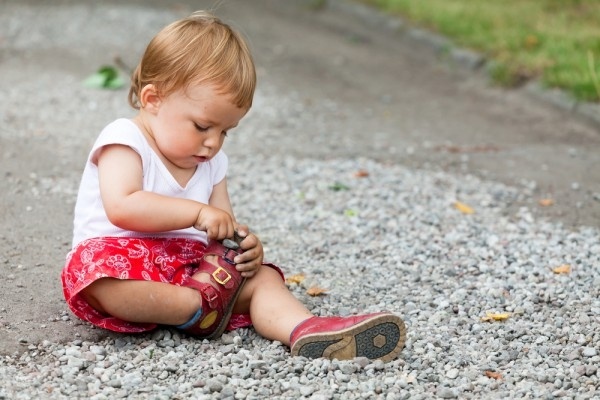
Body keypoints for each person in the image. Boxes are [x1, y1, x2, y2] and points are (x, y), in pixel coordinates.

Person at [61, 10, 406, 362]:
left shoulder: (212, 163)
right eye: (202, 126)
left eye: (225, 132)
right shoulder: (125, 139)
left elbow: (221, 225)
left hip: (193, 271)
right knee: (102, 282)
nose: (213, 143)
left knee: (262, 280)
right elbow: (123, 205)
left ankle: (305, 329)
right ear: (153, 99)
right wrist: (196, 212)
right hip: (124, 258)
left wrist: (243, 246)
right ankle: (191, 310)